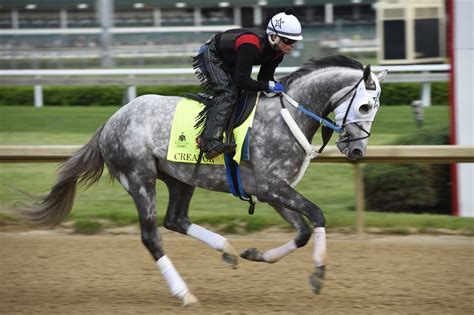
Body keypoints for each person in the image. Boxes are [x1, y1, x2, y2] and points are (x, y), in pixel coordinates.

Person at [192, 7, 303, 159]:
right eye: (288, 40)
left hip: (231, 58)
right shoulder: (250, 45)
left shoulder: (278, 53)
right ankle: (208, 141)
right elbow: (242, 80)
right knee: (227, 92)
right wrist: (267, 86)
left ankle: (231, 133)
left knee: (243, 93)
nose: (291, 45)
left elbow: (264, 78)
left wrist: (273, 86)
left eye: (294, 41)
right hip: (211, 53)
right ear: (274, 37)